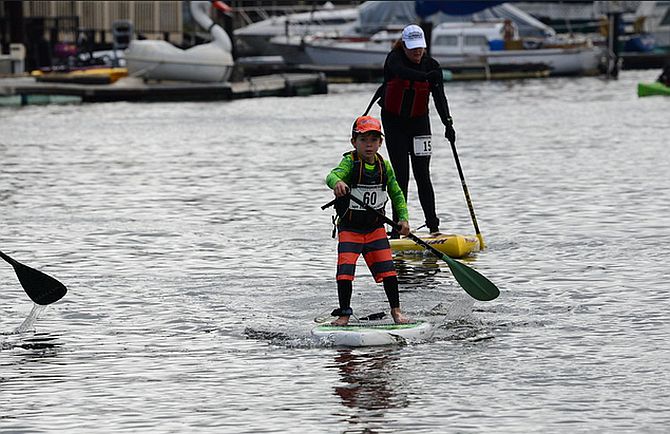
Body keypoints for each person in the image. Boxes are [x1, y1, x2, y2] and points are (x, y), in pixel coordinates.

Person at [325, 115, 411, 326]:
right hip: (350, 229)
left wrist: (404, 219)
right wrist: (337, 183)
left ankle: (396, 312)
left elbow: (397, 194)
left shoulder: (385, 167)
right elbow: (331, 176)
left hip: (375, 229)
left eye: (373, 140)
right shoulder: (349, 163)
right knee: (345, 272)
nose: (368, 145)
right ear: (354, 142)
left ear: (380, 143)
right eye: (363, 140)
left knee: (389, 272)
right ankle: (344, 315)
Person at [373, 24, 456, 238]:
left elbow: (439, 98)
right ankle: (397, 228)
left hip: (420, 124)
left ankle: (434, 227)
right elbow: (401, 72)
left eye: (420, 48)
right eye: (412, 48)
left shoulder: (431, 65)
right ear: (404, 45)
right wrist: (428, 77)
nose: (417, 52)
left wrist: (448, 124)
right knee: (401, 176)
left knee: (423, 175)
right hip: (395, 124)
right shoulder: (395, 59)